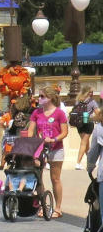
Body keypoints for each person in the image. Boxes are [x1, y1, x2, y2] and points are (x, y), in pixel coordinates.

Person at [26, 84, 68, 218]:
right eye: (39, 96)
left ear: (50, 98)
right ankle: (43, 205)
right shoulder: (36, 113)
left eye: (42, 96)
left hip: (55, 148)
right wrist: (32, 141)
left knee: (55, 178)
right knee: (38, 177)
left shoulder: (59, 113)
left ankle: (58, 208)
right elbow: (31, 130)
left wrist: (54, 139)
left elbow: (64, 132)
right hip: (40, 148)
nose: (40, 99)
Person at [71, 85, 99, 170]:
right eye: (91, 92)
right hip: (88, 123)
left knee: (86, 144)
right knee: (84, 143)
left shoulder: (78, 100)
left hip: (79, 124)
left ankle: (90, 163)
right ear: (88, 92)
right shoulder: (92, 101)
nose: (92, 94)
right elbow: (98, 113)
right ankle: (78, 163)